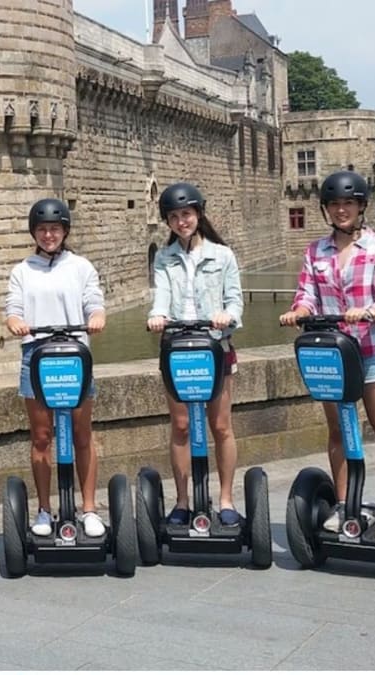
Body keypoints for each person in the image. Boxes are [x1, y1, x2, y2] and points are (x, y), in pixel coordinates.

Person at [280, 170, 375, 539]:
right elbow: (307, 294)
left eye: (348, 203)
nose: (341, 210)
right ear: (326, 209)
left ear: (361, 206)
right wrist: (300, 311)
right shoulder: (315, 251)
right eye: (334, 204)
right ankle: (344, 502)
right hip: (334, 355)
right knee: (339, 431)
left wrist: (369, 311)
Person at [5, 198, 107, 538]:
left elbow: (94, 301)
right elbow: (14, 309)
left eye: (55, 229)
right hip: (36, 354)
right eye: (43, 229)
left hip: (75, 354)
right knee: (41, 436)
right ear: (34, 232)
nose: (49, 235)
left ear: (65, 231)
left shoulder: (81, 267)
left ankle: (89, 508)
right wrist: (17, 322)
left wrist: (96, 317)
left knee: (81, 434)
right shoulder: (22, 270)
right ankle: (45, 509)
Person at [146, 182, 245, 528]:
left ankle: (226, 498)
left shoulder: (223, 255)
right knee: (182, 425)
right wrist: (157, 316)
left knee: (220, 426)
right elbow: (161, 295)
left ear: (198, 214)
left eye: (186, 214)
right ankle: (184, 500)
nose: (181, 221)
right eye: (173, 217)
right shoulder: (164, 257)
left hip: (215, 345)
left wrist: (227, 316)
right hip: (177, 347)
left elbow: (235, 300)